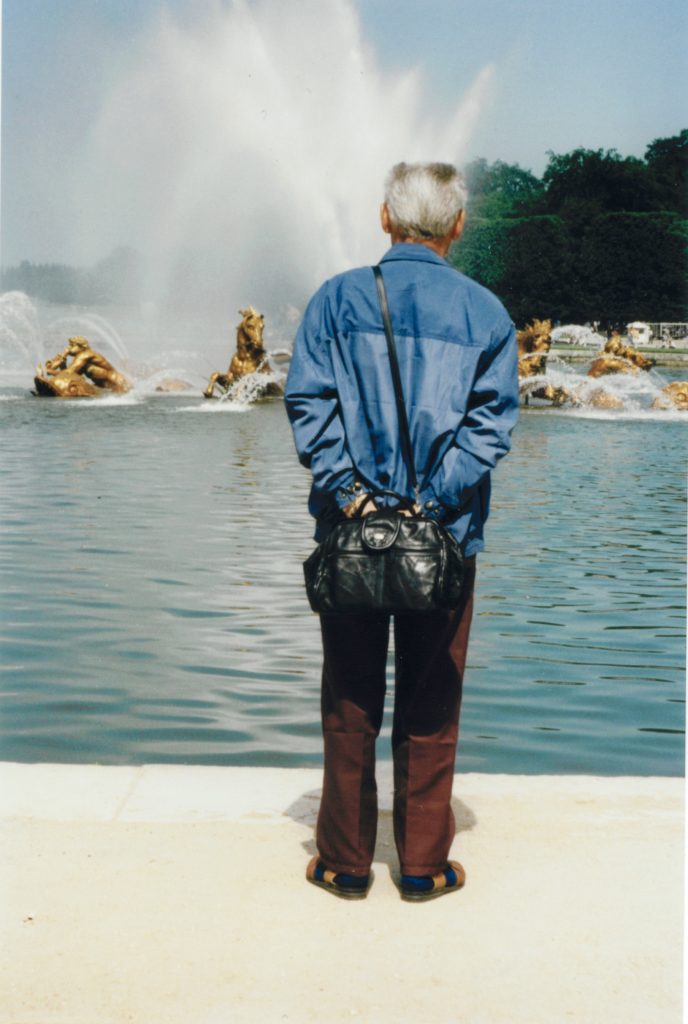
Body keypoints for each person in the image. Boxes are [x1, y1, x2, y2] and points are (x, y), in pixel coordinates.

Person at [285, 161, 519, 901]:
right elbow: (489, 429)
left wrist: (355, 496)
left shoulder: (335, 301)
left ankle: (345, 863)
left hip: (349, 533)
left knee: (350, 698)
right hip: (445, 538)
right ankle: (422, 865)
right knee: (431, 698)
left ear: (384, 219)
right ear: (457, 226)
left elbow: (308, 405)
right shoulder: (487, 314)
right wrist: (430, 501)